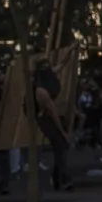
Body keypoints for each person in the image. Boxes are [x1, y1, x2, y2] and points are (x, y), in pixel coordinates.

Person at [33, 59, 75, 192]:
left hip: (49, 115)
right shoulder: (40, 91)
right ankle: (65, 178)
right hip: (44, 119)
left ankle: (57, 178)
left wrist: (71, 52)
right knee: (60, 145)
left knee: (61, 148)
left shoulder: (49, 76)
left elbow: (60, 65)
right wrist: (63, 132)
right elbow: (52, 112)